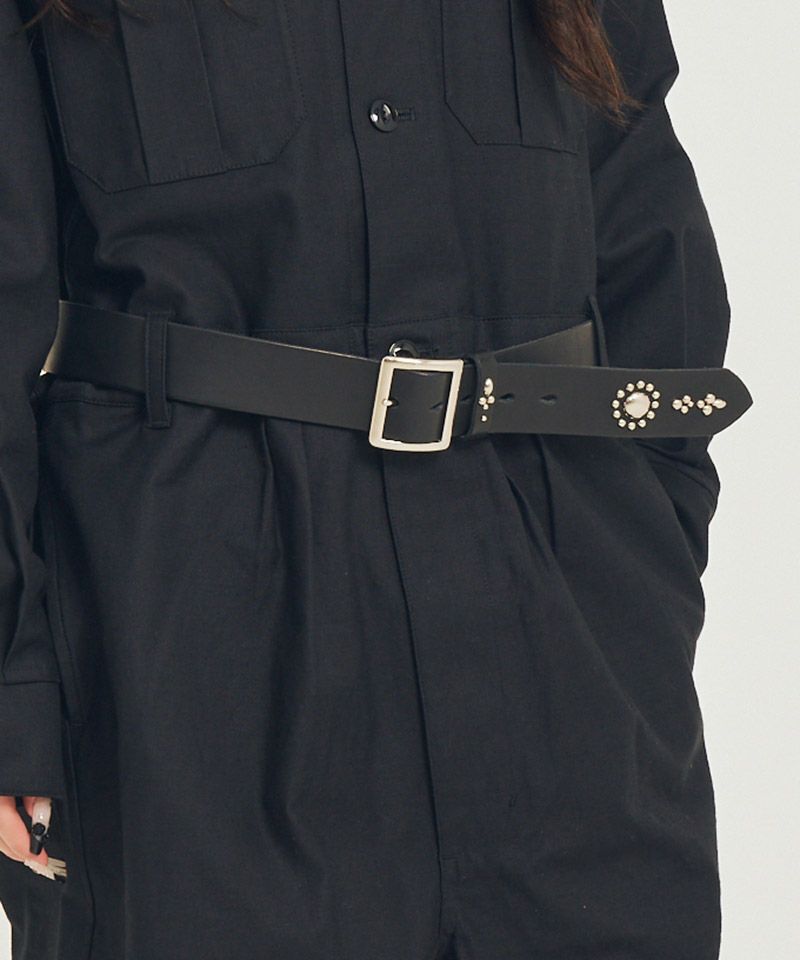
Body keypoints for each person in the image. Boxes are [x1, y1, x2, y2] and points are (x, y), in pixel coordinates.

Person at [0, 0, 752, 957]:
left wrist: (639, 561)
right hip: (185, 677)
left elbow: (652, 246)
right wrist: (16, 691)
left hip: (570, 681)